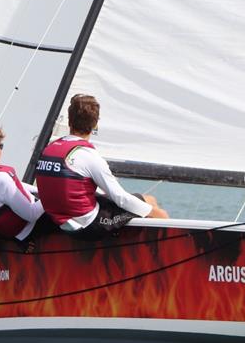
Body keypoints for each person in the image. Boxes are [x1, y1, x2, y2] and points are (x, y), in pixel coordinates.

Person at [35, 94, 168, 239]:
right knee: (151, 203)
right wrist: (158, 215)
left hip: (59, 219)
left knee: (142, 201)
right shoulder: (89, 156)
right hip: (88, 225)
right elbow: (120, 198)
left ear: (69, 121)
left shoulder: (50, 149)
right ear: (95, 124)